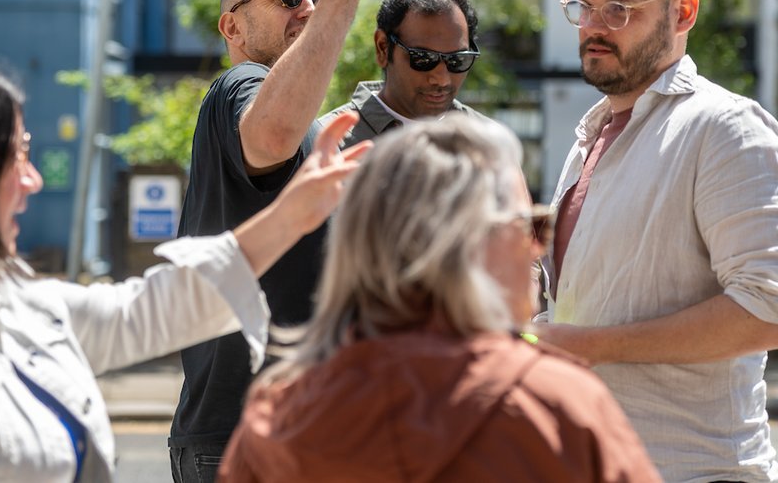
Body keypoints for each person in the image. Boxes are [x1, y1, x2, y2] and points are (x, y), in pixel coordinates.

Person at [0, 47, 370, 482]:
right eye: (16, 154)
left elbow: (148, 309)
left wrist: (291, 215)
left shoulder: (16, 300)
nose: (33, 180)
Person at [219, 114, 659, 482]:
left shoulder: (278, 417)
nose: (538, 249)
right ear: (467, 244)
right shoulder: (558, 407)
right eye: (531, 226)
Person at [535, 0, 778, 482]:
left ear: (683, 12)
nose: (593, 27)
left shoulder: (725, 128)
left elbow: (770, 306)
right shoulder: (591, 135)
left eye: (619, 9)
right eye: (584, 7)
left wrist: (590, 346)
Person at [170, 0, 393, 481]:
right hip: (244, 440)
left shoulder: (298, 111)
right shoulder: (238, 84)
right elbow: (268, 136)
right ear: (232, 28)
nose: (307, 7)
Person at [320, 0, 485, 147]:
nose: (442, 79)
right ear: (383, 48)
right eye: (423, 58)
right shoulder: (326, 145)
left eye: (457, 60)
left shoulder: (487, 142)